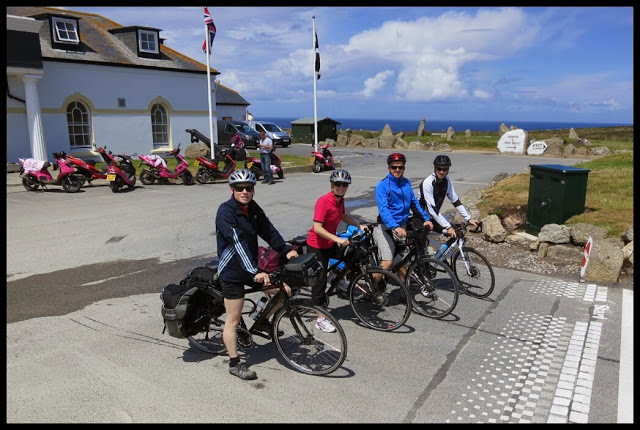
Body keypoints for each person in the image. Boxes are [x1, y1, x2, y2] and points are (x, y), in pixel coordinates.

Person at [215, 169, 298, 380]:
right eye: (239, 188)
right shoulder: (225, 212)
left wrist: (285, 248)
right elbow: (238, 243)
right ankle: (235, 364)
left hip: (251, 266)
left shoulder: (252, 208)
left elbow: (268, 230)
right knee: (233, 319)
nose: (244, 192)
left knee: (283, 290)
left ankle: (262, 321)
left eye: (249, 188)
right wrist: (256, 271)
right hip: (233, 270)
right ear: (232, 189)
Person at [306, 169, 368, 332]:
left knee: (352, 257)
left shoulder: (340, 201)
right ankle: (320, 320)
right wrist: (338, 239)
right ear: (332, 185)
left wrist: (359, 225)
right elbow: (317, 228)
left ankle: (336, 277)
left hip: (329, 243)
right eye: (338, 184)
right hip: (317, 246)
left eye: (344, 185)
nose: (341, 187)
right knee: (319, 283)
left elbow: (343, 216)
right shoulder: (323, 201)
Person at [373, 153, 433, 281]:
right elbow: (383, 210)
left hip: (402, 226)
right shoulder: (382, 186)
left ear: (404, 168)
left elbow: (414, 203)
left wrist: (426, 219)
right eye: (394, 167)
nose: (397, 170)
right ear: (389, 168)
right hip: (386, 227)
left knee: (402, 262)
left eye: (400, 167)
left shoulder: (406, 183)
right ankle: (371, 288)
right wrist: (395, 226)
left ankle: (404, 294)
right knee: (388, 263)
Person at [417, 154, 479, 242]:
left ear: (448, 170)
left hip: (433, 218)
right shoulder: (428, 183)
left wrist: (468, 218)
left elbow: (455, 201)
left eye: (444, 169)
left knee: (457, 233)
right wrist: (448, 227)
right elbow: (432, 210)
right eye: (439, 169)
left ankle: (440, 255)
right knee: (421, 248)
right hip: (421, 218)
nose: (441, 172)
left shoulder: (447, 181)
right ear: (435, 168)